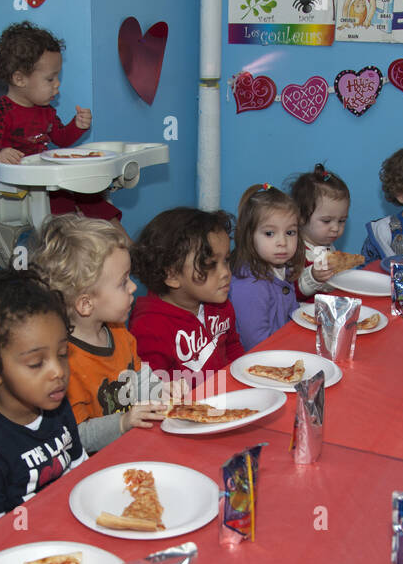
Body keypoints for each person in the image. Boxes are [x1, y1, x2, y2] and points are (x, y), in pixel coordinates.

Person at [0, 271, 87, 538]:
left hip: (66, 527)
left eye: (62, 354)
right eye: (36, 363)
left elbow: (79, 468)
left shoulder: (55, 403)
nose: (58, 372)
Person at [31, 216, 176, 453]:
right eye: (123, 282)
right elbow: (76, 436)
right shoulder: (66, 363)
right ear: (86, 304)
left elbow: (139, 378)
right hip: (94, 462)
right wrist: (123, 422)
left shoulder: (119, 332)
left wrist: (161, 391)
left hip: (132, 443)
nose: (132, 287)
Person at [0, 21, 119, 225]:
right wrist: (0, 154)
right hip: (23, 189)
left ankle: (128, 252)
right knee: (66, 211)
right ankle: (80, 250)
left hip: (49, 181)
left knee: (95, 201)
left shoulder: (46, 111)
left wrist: (76, 126)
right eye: (50, 79)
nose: (57, 84)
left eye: (57, 77)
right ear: (19, 79)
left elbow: (61, 139)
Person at [128, 207, 244, 389]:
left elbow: (233, 347)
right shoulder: (149, 328)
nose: (225, 273)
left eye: (226, 260)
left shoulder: (220, 305)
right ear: (172, 275)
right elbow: (155, 393)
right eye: (210, 265)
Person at [228, 184, 305, 351]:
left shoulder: (282, 269)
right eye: (270, 233)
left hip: (281, 351)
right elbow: (256, 344)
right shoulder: (249, 285)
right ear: (249, 236)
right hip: (260, 363)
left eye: (290, 233)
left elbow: (293, 318)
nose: (282, 243)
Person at [289, 163, 352, 299]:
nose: (335, 228)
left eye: (341, 221)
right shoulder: (294, 251)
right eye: (326, 221)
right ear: (300, 217)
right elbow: (290, 292)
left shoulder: (328, 247)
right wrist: (313, 277)